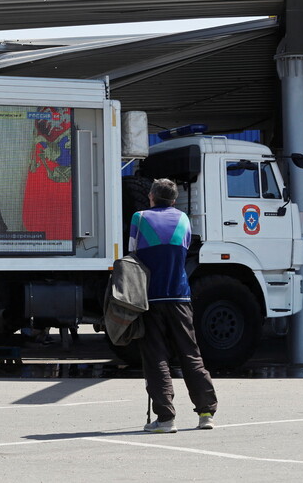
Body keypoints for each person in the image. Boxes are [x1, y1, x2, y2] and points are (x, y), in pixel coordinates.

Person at [129, 178, 218, 433]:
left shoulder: (140, 218)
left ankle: (166, 419)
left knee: (156, 356)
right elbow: (183, 249)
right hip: (180, 296)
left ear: (151, 197)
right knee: (190, 354)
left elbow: (132, 254)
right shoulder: (183, 219)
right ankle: (205, 413)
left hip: (151, 297)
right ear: (174, 199)